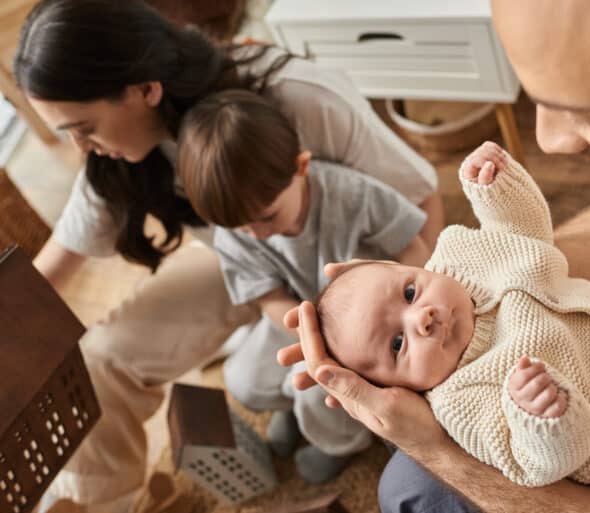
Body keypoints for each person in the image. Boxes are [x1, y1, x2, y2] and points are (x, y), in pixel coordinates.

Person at [278, 1, 590, 512]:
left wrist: (437, 451)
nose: (549, 140)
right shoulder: (463, 387)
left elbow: (525, 233)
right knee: (409, 487)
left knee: (418, 490)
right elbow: (537, 240)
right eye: (398, 341)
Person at [14, 0, 442, 511]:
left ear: (145, 89)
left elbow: (420, 200)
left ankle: (332, 425)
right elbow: (42, 282)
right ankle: (101, 504)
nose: (83, 147)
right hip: (254, 263)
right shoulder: (115, 166)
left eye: (85, 127)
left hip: (353, 257)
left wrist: (407, 329)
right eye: (70, 134)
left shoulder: (295, 99)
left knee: (322, 376)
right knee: (101, 360)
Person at [312, 141, 590, 487]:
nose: (421, 318)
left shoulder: (462, 261)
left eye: (409, 291)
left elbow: (525, 234)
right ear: (396, 389)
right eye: (397, 343)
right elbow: (539, 465)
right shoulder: (461, 401)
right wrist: (543, 418)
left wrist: (495, 188)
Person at [175, 89, 431, 483]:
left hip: (367, 324)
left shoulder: (352, 195)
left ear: (301, 167)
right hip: (295, 320)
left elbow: (412, 246)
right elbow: (269, 299)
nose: (257, 235)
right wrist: (308, 333)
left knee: (317, 393)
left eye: (266, 217)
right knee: (244, 378)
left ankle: (339, 444)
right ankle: (293, 411)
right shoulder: (235, 232)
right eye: (242, 227)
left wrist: (413, 299)